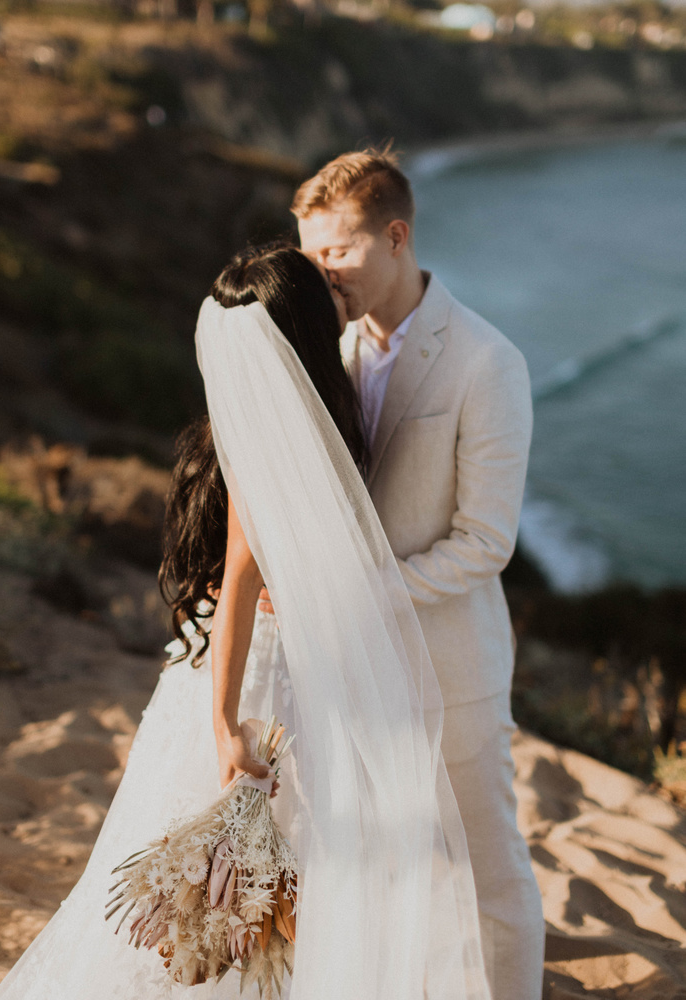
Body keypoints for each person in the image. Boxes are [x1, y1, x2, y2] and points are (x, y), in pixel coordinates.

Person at [0, 243, 490, 1000]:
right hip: (257, 674)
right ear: (304, 329)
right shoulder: (267, 441)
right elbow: (236, 590)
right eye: (322, 286)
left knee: (276, 865)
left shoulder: (294, 413)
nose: (337, 287)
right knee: (237, 869)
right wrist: (225, 722)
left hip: (283, 661)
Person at [288, 149, 545, 1000]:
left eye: (335, 253)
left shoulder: (486, 362)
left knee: (487, 866)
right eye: (310, 254)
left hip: (453, 667)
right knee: (399, 862)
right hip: (363, 672)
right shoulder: (334, 352)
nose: (320, 274)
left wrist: (362, 595)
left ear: (394, 237)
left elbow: (486, 542)